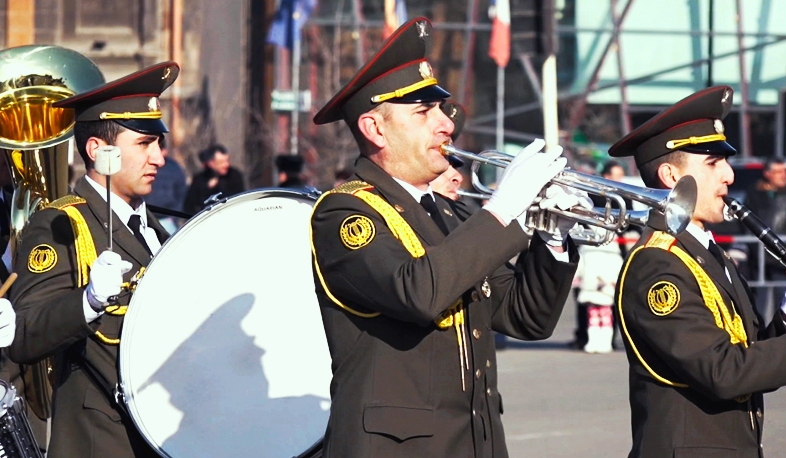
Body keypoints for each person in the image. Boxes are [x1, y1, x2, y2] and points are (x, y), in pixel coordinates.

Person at [310, 17, 585, 457]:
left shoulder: (447, 213)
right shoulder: (345, 212)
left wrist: (551, 239)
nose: (445, 124)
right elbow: (418, 291)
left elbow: (524, 317)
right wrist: (502, 208)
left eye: (440, 110)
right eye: (423, 113)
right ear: (374, 129)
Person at [7, 61, 179, 458]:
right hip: (103, 440)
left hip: (162, 434)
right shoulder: (60, 224)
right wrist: (88, 302)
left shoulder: (157, 228)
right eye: (144, 144)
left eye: (159, 144)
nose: (159, 159)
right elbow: (25, 333)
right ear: (99, 152)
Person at [609, 85, 786, 457]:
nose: (729, 176)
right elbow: (724, 373)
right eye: (712, 163)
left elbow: (748, 353)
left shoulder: (706, 253)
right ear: (671, 176)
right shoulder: (657, 265)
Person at [744, 158, 786, 321]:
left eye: (785, 171)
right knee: (760, 307)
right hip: (760, 260)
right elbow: (748, 226)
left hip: (781, 260)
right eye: (778, 172)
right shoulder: (755, 195)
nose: (783, 175)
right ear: (767, 174)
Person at [183, 144, 245, 214]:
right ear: (211, 163)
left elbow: (239, 199)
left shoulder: (234, 175)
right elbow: (189, 206)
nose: (226, 165)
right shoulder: (200, 179)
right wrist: (207, 188)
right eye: (221, 162)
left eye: (227, 160)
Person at [145, 135, 187, 233]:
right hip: (147, 217)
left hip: (167, 220)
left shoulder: (173, 168)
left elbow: (181, 192)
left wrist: (174, 216)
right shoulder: (144, 165)